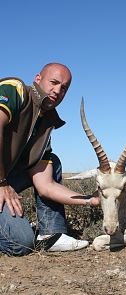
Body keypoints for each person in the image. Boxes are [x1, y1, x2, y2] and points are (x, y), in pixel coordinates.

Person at [0, 63, 100, 256]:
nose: (57, 91)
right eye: (53, 82)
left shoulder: (46, 124)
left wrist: (91, 200)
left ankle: (51, 235)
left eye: (64, 88)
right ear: (38, 79)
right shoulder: (15, 90)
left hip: (4, 181)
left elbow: (46, 186)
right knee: (19, 244)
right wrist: (2, 183)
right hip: (1, 181)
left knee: (51, 161)